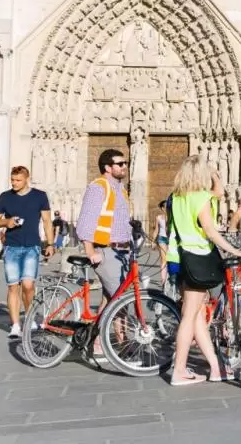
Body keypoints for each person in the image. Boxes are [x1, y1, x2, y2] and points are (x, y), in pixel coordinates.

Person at [168, 156, 241, 385]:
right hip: (199, 258)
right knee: (188, 318)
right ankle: (179, 370)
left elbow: (219, 193)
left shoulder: (176, 197)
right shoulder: (201, 198)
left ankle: (216, 368)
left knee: (195, 317)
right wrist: (235, 250)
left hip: (183, 258)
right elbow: (211, 232)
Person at [76, 149, 132, 358]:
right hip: (106, 251)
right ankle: (121, 342)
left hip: (123, 251)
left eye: (126, 163)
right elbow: (86, 221)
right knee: (121, 298)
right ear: (108, 167)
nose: (124, 166)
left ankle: (98, 340)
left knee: (110, 298)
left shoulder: (121, 190)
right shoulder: (98, 187)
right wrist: (90, 250)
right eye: (120, 163)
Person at [0, 166, 54, 340]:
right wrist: (7, 222)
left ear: (27, 179)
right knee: (13, 286)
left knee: (28, 285)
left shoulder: (40, 196)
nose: (14, 183)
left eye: (18, 180)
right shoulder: (5, 197)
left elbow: (47, 221)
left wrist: (50, 243)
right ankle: (15, 325)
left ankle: (29, 316)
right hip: (11, 246)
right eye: (12, 180)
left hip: (32, 246)